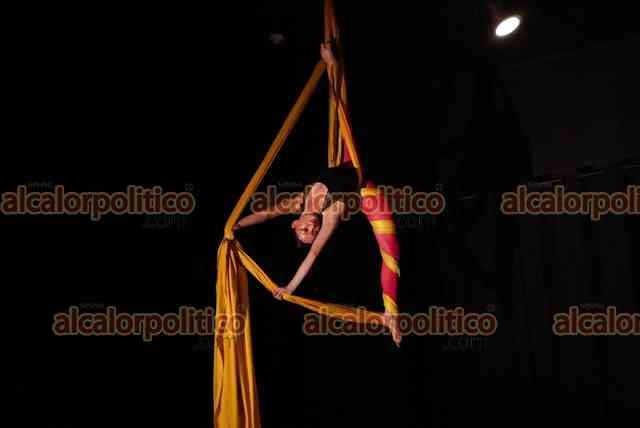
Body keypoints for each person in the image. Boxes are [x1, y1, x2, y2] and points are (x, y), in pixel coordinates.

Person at [233, 43, 402, 346]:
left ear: (294, 223)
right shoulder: (330, 218)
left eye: (305, 230)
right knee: (390, 253)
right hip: (366, 193)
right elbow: (311, 257)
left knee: (342, 114)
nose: (311, 229)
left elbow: (267, 213)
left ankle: (333, 66)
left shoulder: (297, 202)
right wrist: (289, 287)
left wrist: (237, 225)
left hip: (347, 162)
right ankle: (391, 314)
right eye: (313, 232)